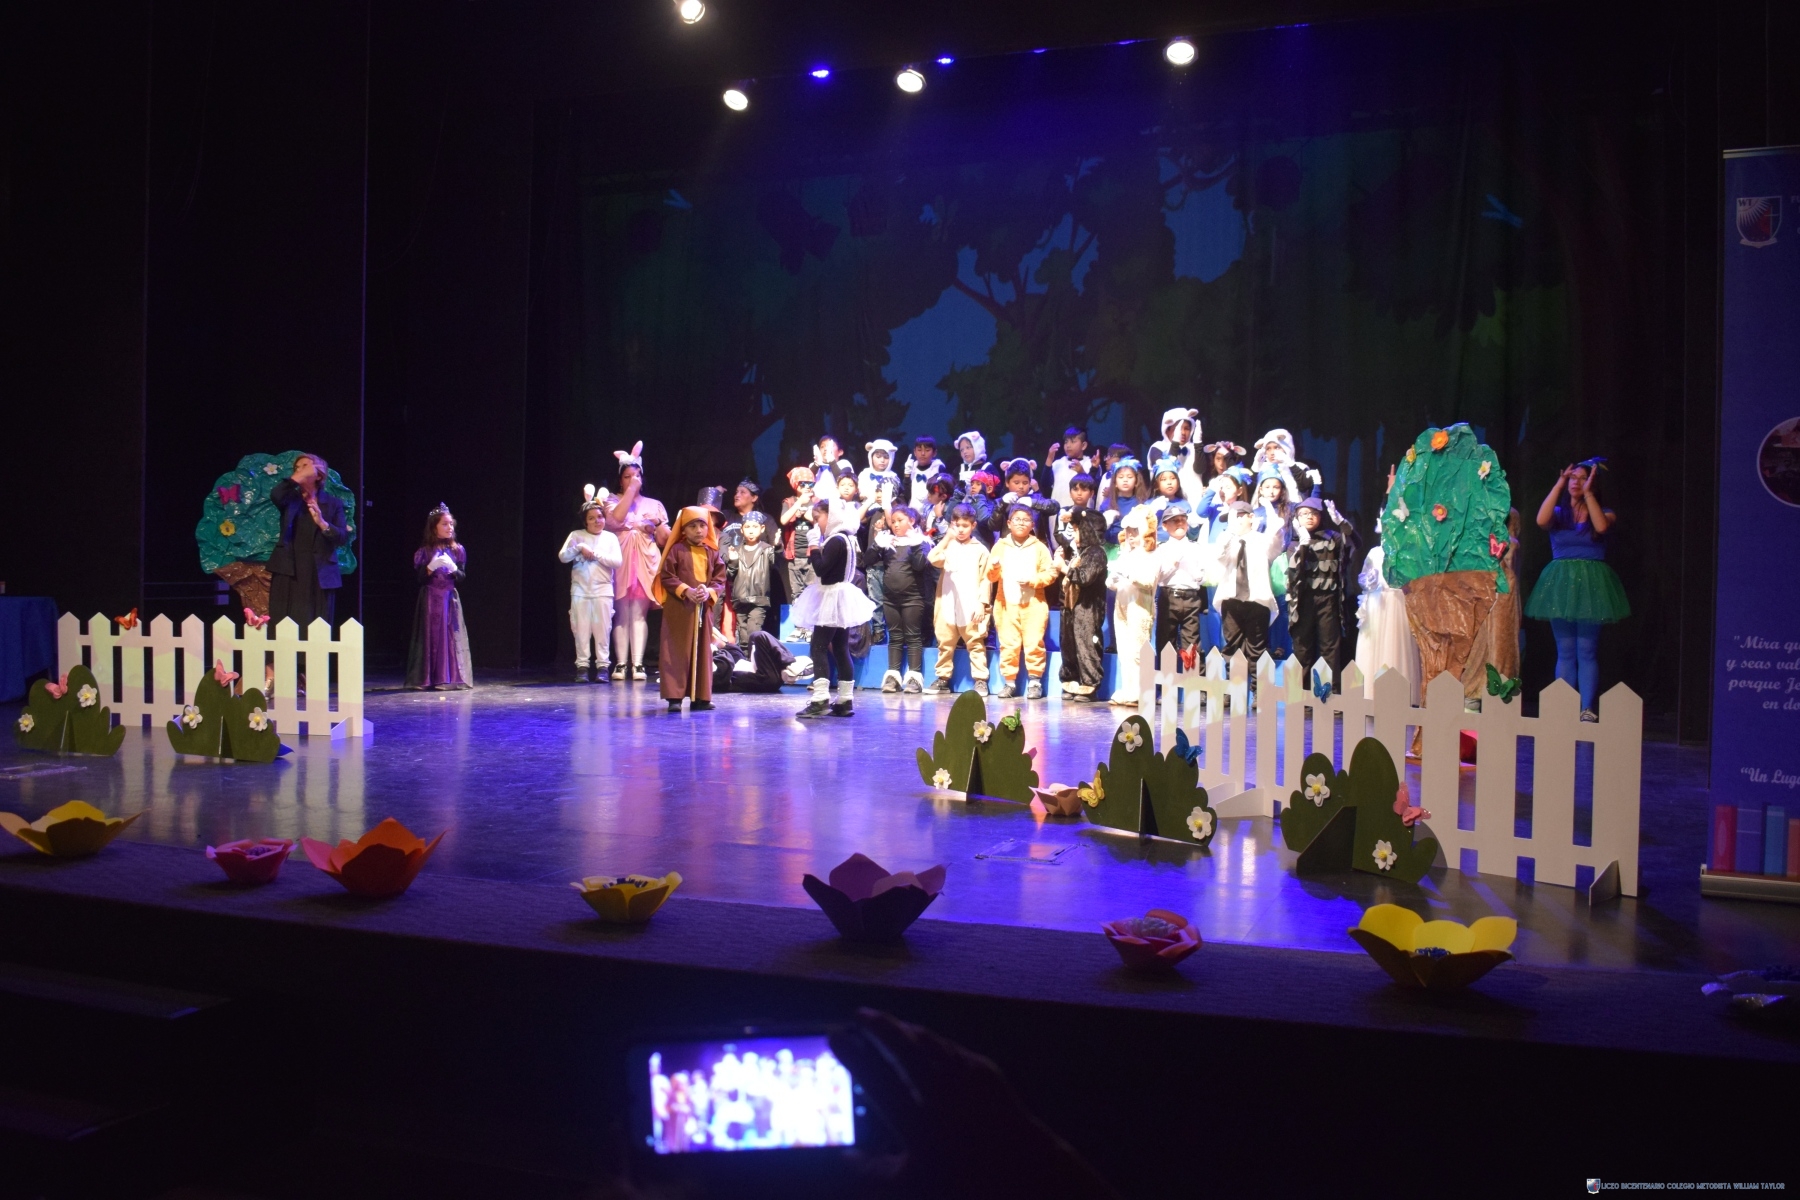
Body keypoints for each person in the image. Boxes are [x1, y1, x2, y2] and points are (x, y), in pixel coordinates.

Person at [1525, 458, 1628, 720]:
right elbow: (1540, 520)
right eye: (1573, 478)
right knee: (1566, 650)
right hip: (1560, 584)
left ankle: (1586, 708)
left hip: (1592, 586)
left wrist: (1589, 493)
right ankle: (1564, 707)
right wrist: (1559, 484)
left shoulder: (1605, 513)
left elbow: (1601, 527)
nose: (1576, 483)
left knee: (1587, 650)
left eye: (1582, 478)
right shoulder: (1559, 514)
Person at [793, 497, 878, 718]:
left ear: (830, 516)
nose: (816, 524)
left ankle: (820, 699)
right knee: (840, 647)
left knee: (818, 646)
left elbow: (821, 569)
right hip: (840, 596)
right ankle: (845, 700)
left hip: (832, 597)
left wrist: (813, 547)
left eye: (818, 518)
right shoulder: (847, 538)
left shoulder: (835, 540)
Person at [604, 442, 669, 682]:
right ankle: (621, 663)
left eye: (637, 475)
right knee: (621, 614)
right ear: (620, 480)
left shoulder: (654, 504)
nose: (633, 479)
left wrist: (658, 524)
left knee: (639, 614)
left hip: (645, 559)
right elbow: (616, 519)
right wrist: (631, 491)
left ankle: (638, 663)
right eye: (627, 476)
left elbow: (665, 539)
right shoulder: (611, 500)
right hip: (621, 559)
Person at [654, 506, 727, 713]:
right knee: (676, 650)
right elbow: (667, 576)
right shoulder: (676, 550)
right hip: (679, 609)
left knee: (702, 650)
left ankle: (700, 697)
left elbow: (719, 579)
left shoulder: (712, 552)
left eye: (702, 525)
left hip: (702, 608)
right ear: (683, 529)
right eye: (692, 526)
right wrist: (686, 590)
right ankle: (674, 697)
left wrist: (708, 592)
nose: (698, 530)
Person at [267, 452, 350, 628]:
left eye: (305, 467)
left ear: (319, 475)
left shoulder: (333, 503)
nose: (299, 470)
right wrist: (298, 477)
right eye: (296, 468)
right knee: (283, 624)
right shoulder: (289, 499)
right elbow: (275, 494)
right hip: (289, 569)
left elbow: (342, 537)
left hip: (319, 572)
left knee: (316, 625)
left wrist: (322, 523)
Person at [985, 504, 1057, 699]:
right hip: (1006, 605)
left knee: (1034, 643)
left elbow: (1051, 573)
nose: (1021, 523)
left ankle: (1034, 682)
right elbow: (991, 576)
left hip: (1033, 604)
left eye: (1026, 520)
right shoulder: (1000, 546)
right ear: (1009, 523)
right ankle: (1009, 682)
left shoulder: (1039, 547)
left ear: (1032, 524)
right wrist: (994, 568)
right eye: (1017, 519)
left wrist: (1033, 581)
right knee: (1008, 644)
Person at [559, 485, 623, 683]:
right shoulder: (576, 536)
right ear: (585, 521)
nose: (597, 521)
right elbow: (563, 557)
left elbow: (617, 562)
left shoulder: (610, 538)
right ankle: (582, 667)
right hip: (580, 591)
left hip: (603, 591)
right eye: (592, 518)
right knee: (581, 630)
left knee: (602, 630)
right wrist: (579, 547)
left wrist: (595, 554)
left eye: (600, 517)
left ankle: (603, 666)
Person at [1286, 489, 1349, 693]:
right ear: (1297, 519)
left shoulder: (1333, 538)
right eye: (1304, 514)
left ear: (1321, 516)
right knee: (1302, 647)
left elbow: (1353, 544)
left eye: (1314, 513)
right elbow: (1294, 571)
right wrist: (1303, 545)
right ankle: (1300, 694)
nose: (1309, 517)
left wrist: (1343, 524)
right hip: (1303, 601)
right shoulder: (1294, 543)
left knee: (1329, 646)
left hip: (1327, 599)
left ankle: (1330, 693)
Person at [405, 503, 473, 690]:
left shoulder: (457, 550)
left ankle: (447, 678)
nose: (449, 527)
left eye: (451, 524)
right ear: (434, 527)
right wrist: (430, 567)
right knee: (430, 636)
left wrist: (453, 568)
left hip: (449, 598)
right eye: (444, 524)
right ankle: (427, 678)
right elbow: (420, 579)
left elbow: (462, 577)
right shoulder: (425, 551)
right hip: (430, 599)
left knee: (449, 635)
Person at [1211, 500, 1281, 682]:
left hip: (1256, 600)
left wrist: (1270, 512)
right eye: (1232, 518)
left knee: (1257, 648)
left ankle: (1259, 689)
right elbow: (1219, 557)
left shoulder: (1262, 540)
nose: (1235, 521)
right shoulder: (1226, 539)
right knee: (1232, 645)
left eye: (1239, 516)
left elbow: (1276, 539)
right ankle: (1234, 688)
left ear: (1251, 517)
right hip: (1231, 599)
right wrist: (1230, 533)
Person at [926, 504, 991, 695]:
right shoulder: (948, 546)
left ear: (973, 526)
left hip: (971, 604)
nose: (961, 530)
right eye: (957, 525)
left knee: (975, 642)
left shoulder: (980, 550)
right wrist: (947, 537)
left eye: (965, 525)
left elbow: (986, 579)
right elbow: (932, 558)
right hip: (948, 601)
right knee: (945, 642)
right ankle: (943, 678)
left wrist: (982, 604)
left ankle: (980, 679)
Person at [1464, 508, 1523, 706]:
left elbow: (1509, 564)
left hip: (1502, 598)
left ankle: (1498, 691)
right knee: (1478, 644)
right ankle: (1473, 691)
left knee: (1500, 643)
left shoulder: (1510, 543)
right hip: (1481, 595)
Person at [871, 506, 932, 693]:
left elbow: (919, 565)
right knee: (895, 637)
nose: (896, 525)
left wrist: (915, 545)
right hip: (890, 599)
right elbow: (867, 560)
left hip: (913, 598)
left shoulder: (922, 542)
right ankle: (893, 677)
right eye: (893, 522)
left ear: (911, 521)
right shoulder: (889, 543)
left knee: (913, 636)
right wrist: (876, 544)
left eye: (900, 521)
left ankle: (914, 678)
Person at [1054, 507, 1109, 701]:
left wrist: (1064, 567)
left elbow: (1085, 577)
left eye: (1077, 529)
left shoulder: (1096, 553)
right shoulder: (1080, 552)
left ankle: (1090, 684)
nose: (1073, 533)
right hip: (1071, 606)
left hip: (1088, 607)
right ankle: (1071, 679)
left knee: (1086, 644)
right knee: (1068, 643)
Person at [1107, 508, 1160, 704]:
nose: (1130, 535)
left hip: (1140, 603)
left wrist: (1128, 573)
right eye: (1128, 531)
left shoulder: (1151, 554)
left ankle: (1142, 691)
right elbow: (1115, 581)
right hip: (1122, 602)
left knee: (1139, 649)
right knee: (1124, 649)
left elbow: (1148, 581)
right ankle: (1128, 689)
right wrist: (1112, 579)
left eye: (1135, 531)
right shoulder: (1125, 554)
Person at [1152, 503, 1210, 671]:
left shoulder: (1195, 548)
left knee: (1192, 642)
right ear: (1165, 525)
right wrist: (1173, 563)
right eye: (1174, 521)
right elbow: (1158, 577)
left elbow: (1203, 576)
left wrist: (1195, 572)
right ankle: (1166, 683)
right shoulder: (1161, 549)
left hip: (1191, 597)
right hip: (1168, 596)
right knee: (1165, 641)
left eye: (1182, 520)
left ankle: (1193, 681)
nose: (1179, 524)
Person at [726, 510, 777, 649]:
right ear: (742, 529)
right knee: (743, 638)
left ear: (762, 528)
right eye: (747, 527)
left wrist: (777, 547)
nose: (751, 530)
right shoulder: (737, 550)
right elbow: (729, 576)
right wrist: (733, 562)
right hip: (740, 600)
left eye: (755, 527)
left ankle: (754, 660)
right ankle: (745, 660)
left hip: (758, 600)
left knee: (753, 633)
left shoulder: (766, 550)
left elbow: (775, 562)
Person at [780, 466, 819, 641]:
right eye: (803, 484)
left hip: (812, 554)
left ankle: (810, 627)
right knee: (797, 593)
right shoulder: (789, 502)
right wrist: (798, 504)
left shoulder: (818, 502)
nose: (807, 487)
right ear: (796, 485)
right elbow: (783, 520)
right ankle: (799, 627)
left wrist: (807, 513)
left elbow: (820, 522)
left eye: (810, 484)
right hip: (794, 555)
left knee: (812, 592)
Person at [711, 625, 810, 694]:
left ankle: (788, 668)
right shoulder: (710, 670)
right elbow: (724, 669)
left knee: (755, 636)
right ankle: (790, 665)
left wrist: (720, 641)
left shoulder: (721, 654)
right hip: (762, 679)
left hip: (761, 670)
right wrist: (714, 651)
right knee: (760, 636)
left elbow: (737, 655)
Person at [988, 458, 1059, 548]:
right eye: (1016, 482)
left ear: (1030, 483)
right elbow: (993, 526)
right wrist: (1002, 504)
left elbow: (1055, 507)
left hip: (1035, 548)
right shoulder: (1000, 502)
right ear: (1007, 483)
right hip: (1009, 548)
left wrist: (1033, 503)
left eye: (1025, 483)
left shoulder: (1036, 499)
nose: (1021, 486)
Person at [1146, 408, 1204, 502]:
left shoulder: (1194, 448)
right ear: (1167, 430)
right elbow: (1166, 468)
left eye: (1187, 428)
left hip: (1195, 502)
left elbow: (1200, 470)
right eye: (1178, 428)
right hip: (1166, 503)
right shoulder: (1157, 447)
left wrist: (1198, 444)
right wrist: (1175, 443)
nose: (1183, 432)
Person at [1044, 425, 1098, 506]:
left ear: (1083, 445)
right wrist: (1049, 459)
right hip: (1058, 511)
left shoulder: (1090, 464)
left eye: (1073, 441)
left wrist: (1081, 472)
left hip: (1082, 512)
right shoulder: (1058, 463)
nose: (1068, 445)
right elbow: (1045, 486)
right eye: (1066, 442)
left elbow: (1094, 489)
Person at [905, 436, 946, 507]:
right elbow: (907, 494)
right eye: (919, 450)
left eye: (927, 450)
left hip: (932, 509)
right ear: (914, 452)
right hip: (912, 509)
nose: (923, 453)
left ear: (934, 452)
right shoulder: (911, 467)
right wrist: (907, 474)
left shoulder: (938, 467)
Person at [860, 439, 902, 504]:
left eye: (886, 457)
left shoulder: (893, 477)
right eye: (878, 456)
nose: (882, 460)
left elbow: (897, 499)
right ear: (871, 456)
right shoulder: (864, 474)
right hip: (864, 508)